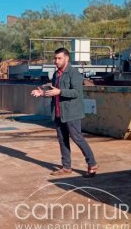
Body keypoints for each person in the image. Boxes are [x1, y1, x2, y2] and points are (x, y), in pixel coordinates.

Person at [31, 47, 98, 177]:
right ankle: (66, 167)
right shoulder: (57, 74)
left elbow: (77, 92)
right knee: (62, 140)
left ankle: (92, 163)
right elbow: (53, 91)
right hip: (58, 112)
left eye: (59, 58)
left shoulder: (74, 73)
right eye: (55, 58)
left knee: (77, 138)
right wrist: (42, 93)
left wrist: (60, 91)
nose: (56, 61)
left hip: (72, 113)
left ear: (66, 58)